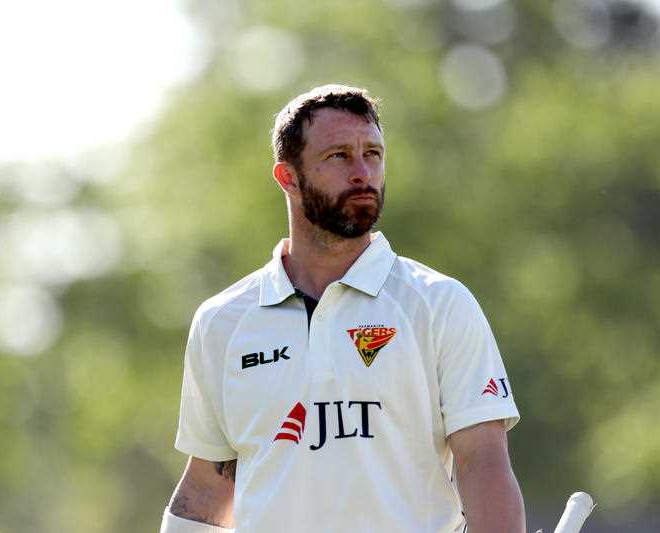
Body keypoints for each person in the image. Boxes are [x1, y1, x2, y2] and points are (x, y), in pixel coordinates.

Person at [160, 85, 526, 533]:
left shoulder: (440, 303)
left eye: (373, 154)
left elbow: (483, 464)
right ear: (288, 178)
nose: (362, 173)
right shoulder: (222, 321)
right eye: (339, 156)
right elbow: (207, 489)